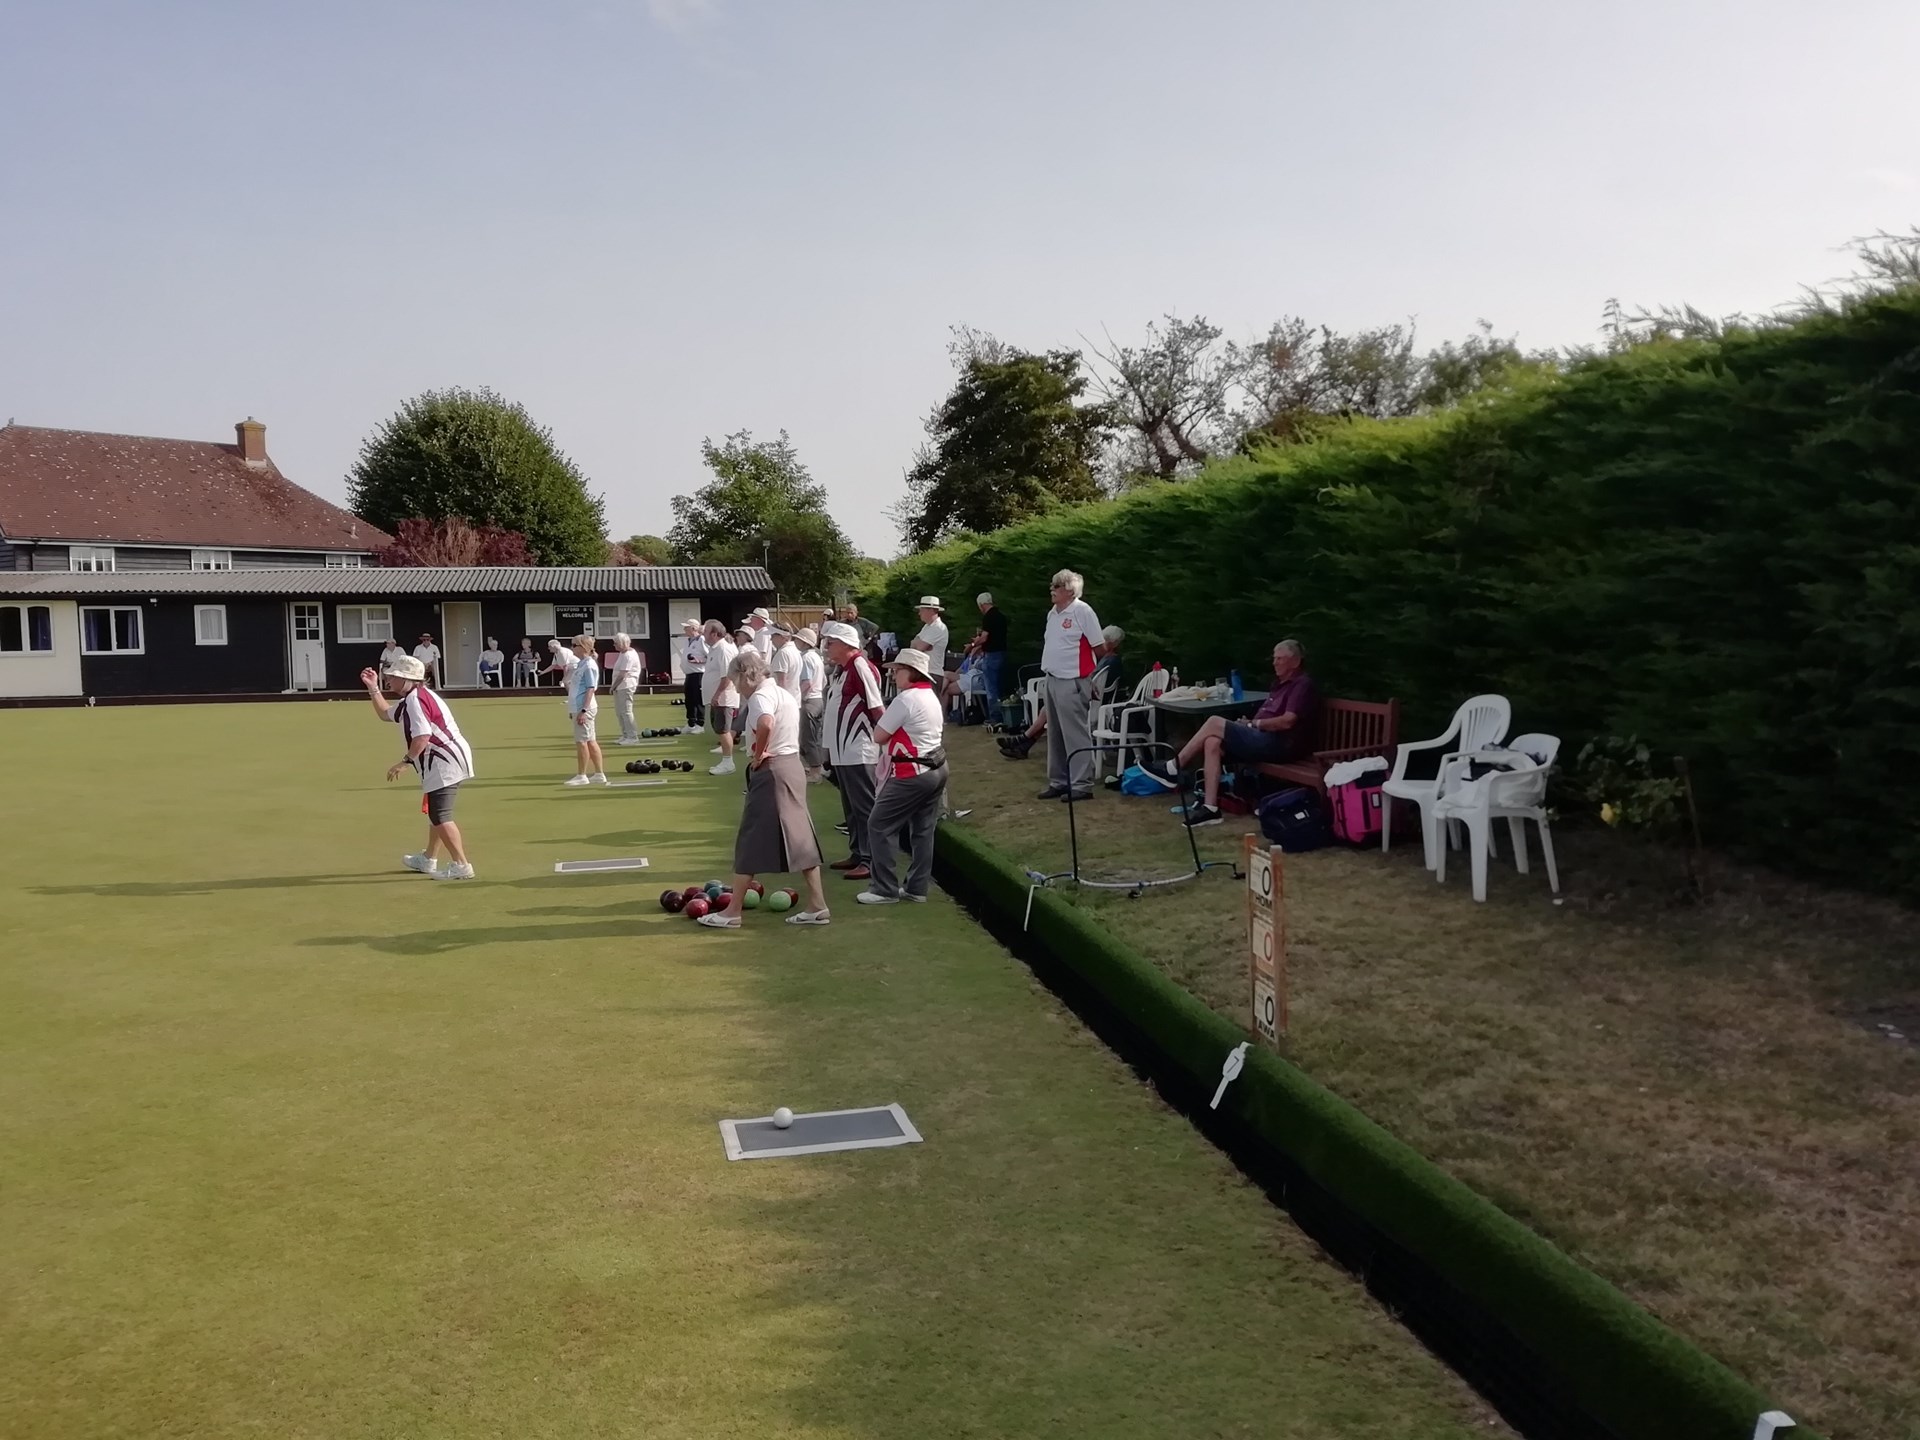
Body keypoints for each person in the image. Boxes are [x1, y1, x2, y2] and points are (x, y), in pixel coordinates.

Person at [696, 649, 832, 929]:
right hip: (792, 766)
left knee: (750, 838)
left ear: (746, 676)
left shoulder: (761, 696)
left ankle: (732, 912)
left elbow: (766, 723)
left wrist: (759, 753)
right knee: (800, 837)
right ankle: (817, 905)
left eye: (736, 681)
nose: (736, 687)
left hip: (773, 771)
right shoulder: (782, 692)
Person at [1156, 639, 1319, 828]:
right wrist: (1246, 724)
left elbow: (1288, 720)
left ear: (1296, 662)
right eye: (1275, 658)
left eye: (1280, 659)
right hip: (1264, 738)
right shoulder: (1279, 684)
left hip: (1281, 744)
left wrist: (1253, 724)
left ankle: (1174, 767)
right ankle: (1210, 809)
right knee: (1212, 741)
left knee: (1214, 722)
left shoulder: (1302, 685)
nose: (1275, 663)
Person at [359, 653, 476, 880]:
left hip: (444, 761)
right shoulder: (413, 698)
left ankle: (462, 865)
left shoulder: (416, 700)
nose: (389, 680)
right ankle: (429, 859)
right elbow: (385, 714)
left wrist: (405, 762)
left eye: (393, 676)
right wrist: (373, 688)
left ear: (408, 679)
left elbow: (422, 735)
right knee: (436, 812)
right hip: (443, 760)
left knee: (440, 815)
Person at [858, 648, 946, 905]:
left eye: (898, 670)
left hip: (912, 772)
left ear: (912, 672)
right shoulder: (929, 695)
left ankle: (884, 889)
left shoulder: (905, 699)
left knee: (879, 824)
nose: (894, 675)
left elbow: (879, 735)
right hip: (936, 767)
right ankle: (916, 889)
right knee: (923, 830)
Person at [997, 624, 1125, 760]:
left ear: (1113, 644)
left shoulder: (1110, 662)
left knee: (1050, 708)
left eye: (1104, 641)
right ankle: (1023, 746)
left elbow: (1094, 686)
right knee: (1050, 708)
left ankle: (1022, 740)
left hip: (1091, 707)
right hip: (1090, 703)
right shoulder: (1108, 660)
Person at [1036, 570, 1109, 802]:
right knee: (1055, 733)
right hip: (1052, 678)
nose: (1052, 589)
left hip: (1073, 680)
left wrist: (1089, 677)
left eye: (1057, 585)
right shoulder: (1053, 614)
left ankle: (1081, 785)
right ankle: (1059, 781)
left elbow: (1099, 647)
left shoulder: (1083, 611)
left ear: (1070, 590)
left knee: (1075, 733)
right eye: (1052, 584)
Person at [822, 620, 884, 880]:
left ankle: (871, 860)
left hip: (858, 748)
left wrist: (885, 743)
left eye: (831, 642)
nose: (826, 647)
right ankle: (859, 853)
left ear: (847, 644)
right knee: (851, 807)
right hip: (842, 750)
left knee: (865, 806)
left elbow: (876, 706)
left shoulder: (859, 666)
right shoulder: (841, 670)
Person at [563, 633, 608, 786]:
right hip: (578, 707)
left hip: (584, 708)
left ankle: (582, 775)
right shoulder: (582, 663)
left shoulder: (588, 665)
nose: (572, 648)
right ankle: (599, 774)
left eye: (574, 645)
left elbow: (590, 689)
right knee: (589, 740)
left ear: (583, 647)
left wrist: (583, 710)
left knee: (581, 741)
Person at [702, 620, 740, 775]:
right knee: (720, 729)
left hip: (724, 698)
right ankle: (726, 761)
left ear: (714, 634)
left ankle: (728, 763)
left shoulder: (723, 649)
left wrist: (717, 694)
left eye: (705, 632)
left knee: (723, 730)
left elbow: (727, 676)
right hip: (718, 698)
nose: (703, 634)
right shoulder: (715, 648)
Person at [794, 626, 827, 782]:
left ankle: (815, 772)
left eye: (799, 640)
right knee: (814, 736)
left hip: (809, 701)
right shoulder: (817, 657)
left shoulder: (806, 658)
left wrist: (795, 697)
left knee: (808, 738)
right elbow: (824, 681)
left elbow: (806, 682)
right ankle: (816, 767)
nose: (796, 642)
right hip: (818, 699)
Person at [974, 592, 1009, 704]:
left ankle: (995, 716)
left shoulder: (988, 617)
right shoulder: (1001, 616)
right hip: (1002, 652)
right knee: (999, 684)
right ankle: (1003, 711)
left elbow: (984, 637)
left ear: (981, 604)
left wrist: (974, 644)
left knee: (991, 687)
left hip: (991, 654)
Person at [609, 632, 643, 744]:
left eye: (616, 643)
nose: (614, 645)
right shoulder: (623, 653)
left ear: (623, 643)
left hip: (626, 685)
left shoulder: (629, 655)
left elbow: (623, 674)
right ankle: (625, 735)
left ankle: (633, 737)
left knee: (626, 711)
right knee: (620, 712)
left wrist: (613, 687)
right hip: (620, 686)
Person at [909, 595, 949, 678]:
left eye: (922, 610)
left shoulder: (938, 627)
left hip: (932, 674)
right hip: (925, 671)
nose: (919, 613)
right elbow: (913, 644)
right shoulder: (927, 627)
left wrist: (919, 643)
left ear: (931, 610)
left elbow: (920, 647)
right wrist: (920, 644)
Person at [680, 618, 707, 732]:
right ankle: (691, 723)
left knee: (698, 699)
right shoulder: (688, 641)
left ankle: (700, 724)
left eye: (686, 627)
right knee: (689, 699)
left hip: (699, 674)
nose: (684, 629)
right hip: (689, 674)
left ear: (693, 628)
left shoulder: (702, 640)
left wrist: (698, 660)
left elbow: (709, 656)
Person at [769, 622, 801, 700]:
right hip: (794, 698)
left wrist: (781, 701)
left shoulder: (782, 653)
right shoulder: (795, 650)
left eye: (773, 636)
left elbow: (781, 682)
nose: (771, 639)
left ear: (782, 636)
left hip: (785, 700)